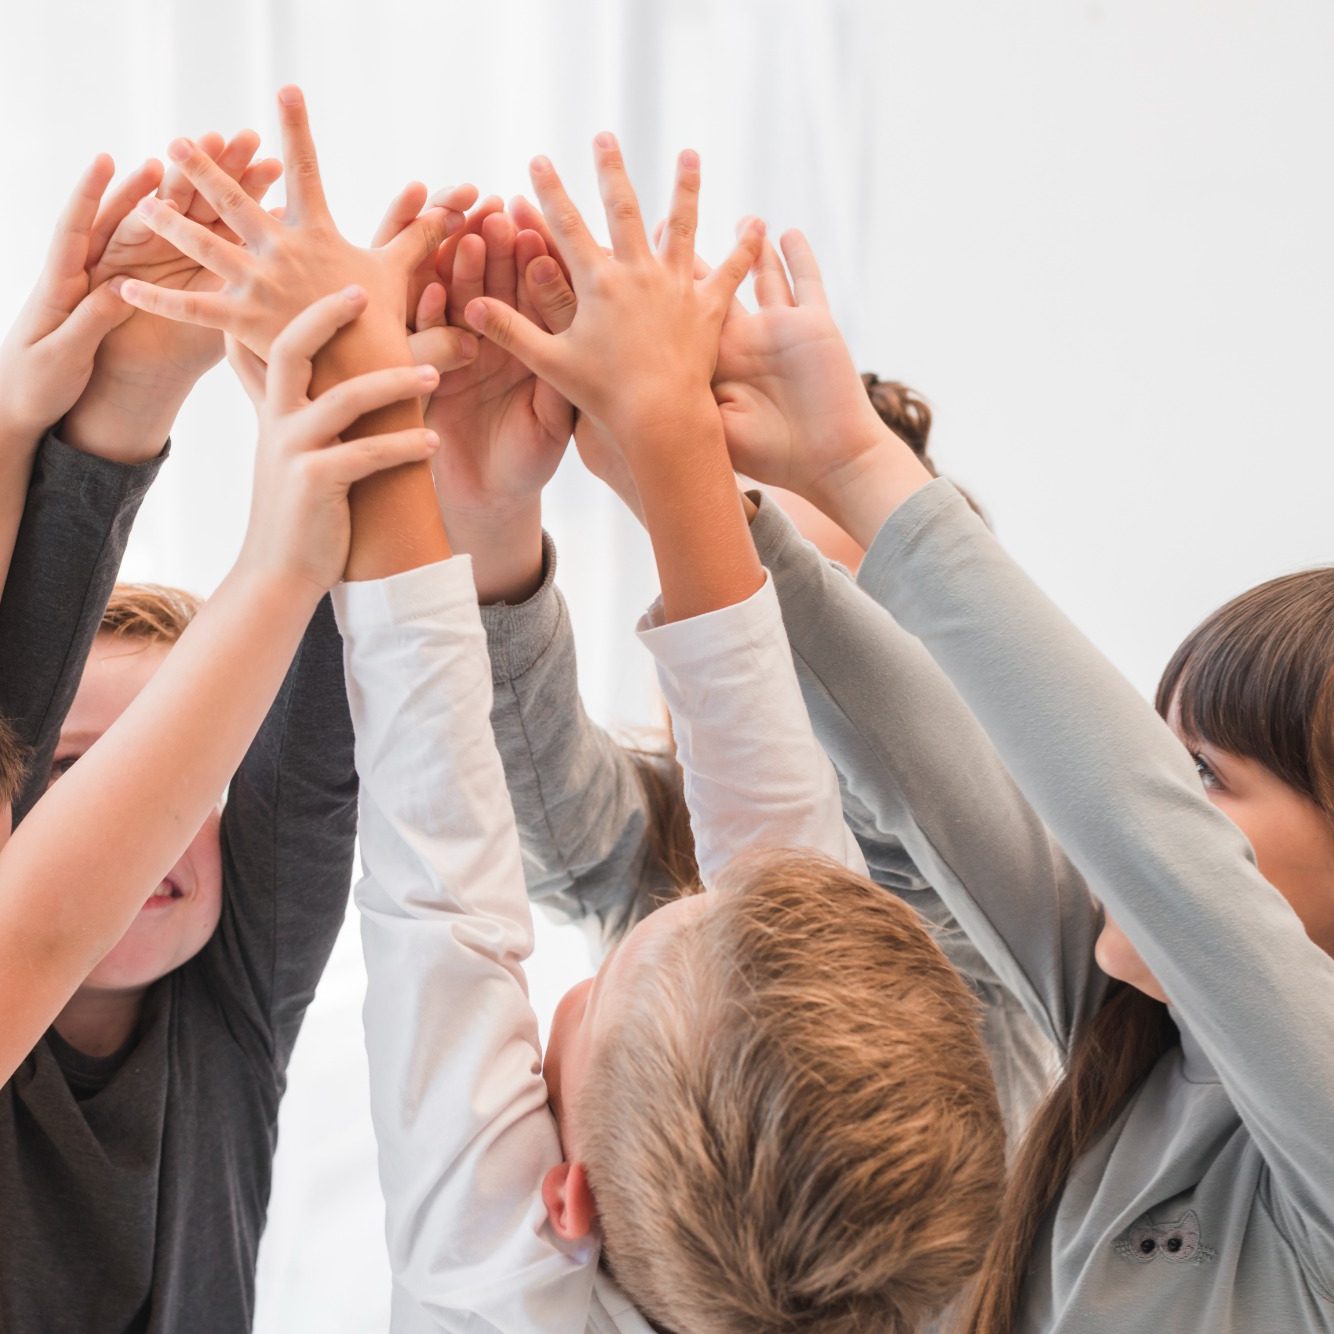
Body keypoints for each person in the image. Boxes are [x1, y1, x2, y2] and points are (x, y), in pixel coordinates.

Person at [341, 135, 1005, 1333]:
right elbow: (765, 852)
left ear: (565, 1201)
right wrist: (636, 461)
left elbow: (457, 889)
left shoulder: (498, 1287)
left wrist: (375, 434)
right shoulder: (884, 1242)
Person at [680, 233, 1334, 1334]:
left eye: (1202, 778)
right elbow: (926, 761)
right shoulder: (1120, 1039)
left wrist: (855, 459)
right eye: (1166, 767)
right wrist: (690, 474)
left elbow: (1139, 829)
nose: (1155, 805)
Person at [0, 88, 463, 1331]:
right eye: (81, 783)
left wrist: (351, 395)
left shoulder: (233, 1008)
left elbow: (310, 742)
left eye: (176, 784)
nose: (147, 828)